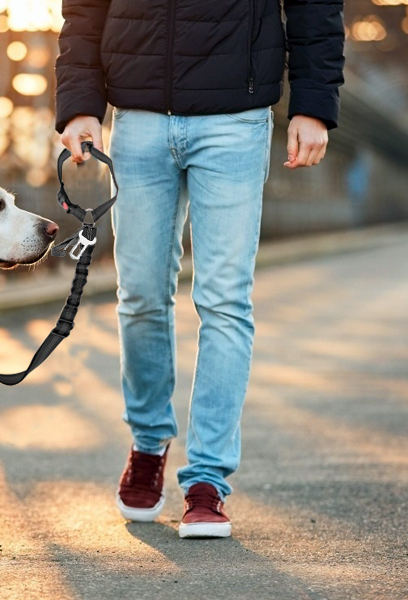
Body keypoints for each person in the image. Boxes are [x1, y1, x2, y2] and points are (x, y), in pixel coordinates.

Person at [54, 0, 345, 538]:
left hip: (236, 119)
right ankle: (148, 442)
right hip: (137, 118)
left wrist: (314, 103)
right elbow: (85, 9)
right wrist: (78, 103)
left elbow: (315, 7)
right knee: (139, 294)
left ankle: (207, 480)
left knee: (225, 300)